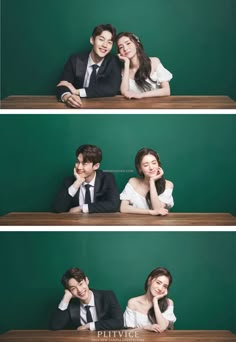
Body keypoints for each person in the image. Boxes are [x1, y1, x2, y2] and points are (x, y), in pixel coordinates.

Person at [57, 24, 121, 108]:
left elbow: (112, 88)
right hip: (78, 108)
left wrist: (78, 92)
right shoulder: (76, 59)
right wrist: (68, 97)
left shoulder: (114, 62)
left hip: (103, 108)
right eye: (101, 39)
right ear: (92, 40)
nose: (105, 45)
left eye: (109, 42)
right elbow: (63, 84)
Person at [50, 267, 124, 330]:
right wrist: (66, 298)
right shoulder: (71, 303)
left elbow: (119, 322)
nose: (79, 290)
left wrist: (89, 326)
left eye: (80, 284)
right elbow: (55, 326)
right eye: (73, 288)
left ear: (86, 280)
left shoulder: (108, 296)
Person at [52, 144, 120, 213]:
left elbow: (114, 205)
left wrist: (82, 208)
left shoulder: (107, 178)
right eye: (78, 162)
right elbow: (58, 208)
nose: (79, 167)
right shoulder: (69, 181)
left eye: (84, 163)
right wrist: (76, 184)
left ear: (96, 166)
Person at [116, 32, 172, 99]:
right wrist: (126, 63)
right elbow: (124, 92)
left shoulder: (154, 62)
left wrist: (140, 95)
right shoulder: (124, 71)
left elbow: (166, 91)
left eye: (128, 43)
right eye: (121, 47)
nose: (125, 48)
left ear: (137, 44)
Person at [120, 148, 174, 216]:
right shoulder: (133, 182)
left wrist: (152, 181)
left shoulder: (168, 185)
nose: (151, 167)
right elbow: (123, 208)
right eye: (146, 165)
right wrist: (150, 212)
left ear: (158, 164)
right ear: (140, 168)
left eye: (154, 163)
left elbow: (158, 210)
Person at [123, 267, 176, 333]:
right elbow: (128, 332)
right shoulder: (133, 303)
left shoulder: (169, 303)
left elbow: (162, 328)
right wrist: (145, 328)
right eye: (158, 283)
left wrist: (155, 301)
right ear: (150, 280)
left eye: (165, 286)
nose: (160, 288)